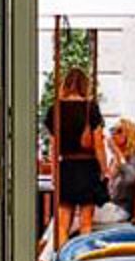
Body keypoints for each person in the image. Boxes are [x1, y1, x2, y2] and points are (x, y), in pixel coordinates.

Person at [45, 67, 108, 246]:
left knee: (63, 224)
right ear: (85, 85)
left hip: (66, 167)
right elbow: (98, 144)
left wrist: (54, 174)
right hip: (87, 168)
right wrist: (104, 170)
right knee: (86, 224)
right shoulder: (91, 108)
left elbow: (53, 146)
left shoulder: (55, 109)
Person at [103, 117, 135, 222]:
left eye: (119, 131)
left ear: (130, 135)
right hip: (110, 207)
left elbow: (130, 179)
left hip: (121, 211)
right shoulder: (114, 160)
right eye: (112, 130)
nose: (113, 134)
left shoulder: (133, 158)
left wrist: (117, 152)